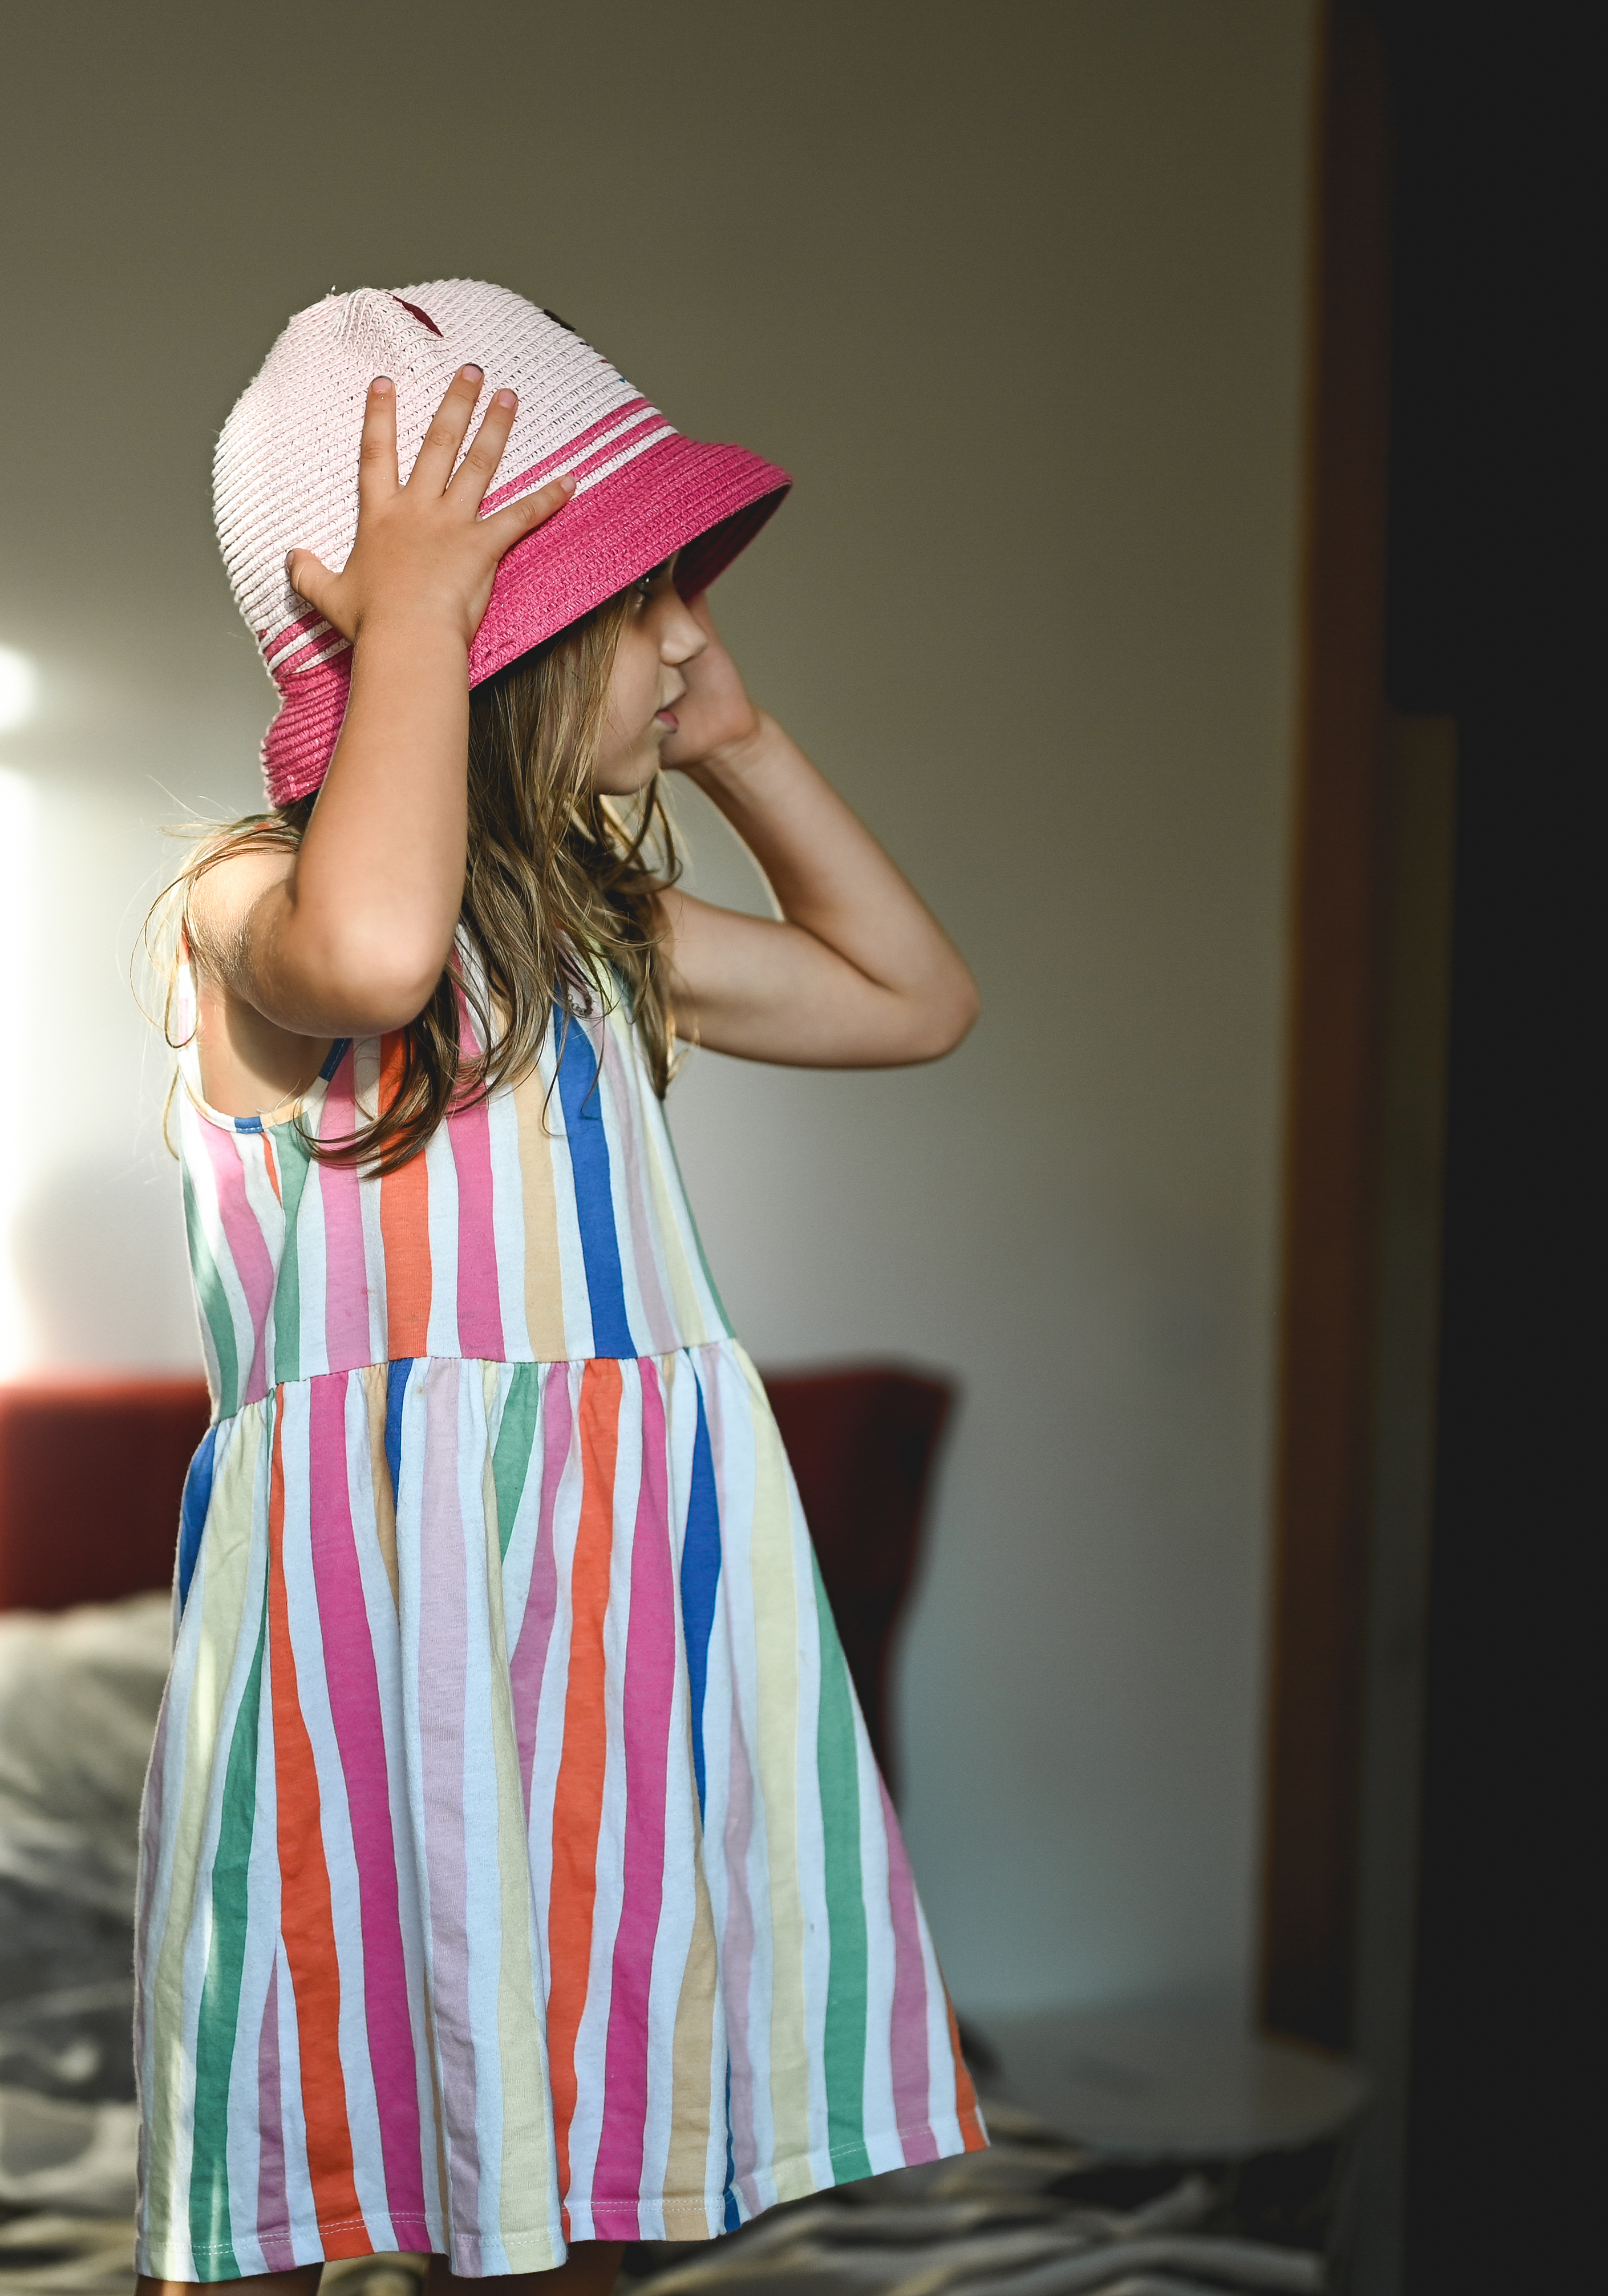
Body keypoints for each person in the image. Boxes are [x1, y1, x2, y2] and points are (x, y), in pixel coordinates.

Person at [137, 282, 985, 2296]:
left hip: (600, 1640)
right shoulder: (250, 912)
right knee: (359, 2163)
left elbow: (912, 999)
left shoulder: (595, 931)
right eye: (640, 595)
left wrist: (751, 745)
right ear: (483, 642)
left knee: (584, 2167)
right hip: (384, 1654)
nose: (692, 636)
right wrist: (413, 624)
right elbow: (372, 955)